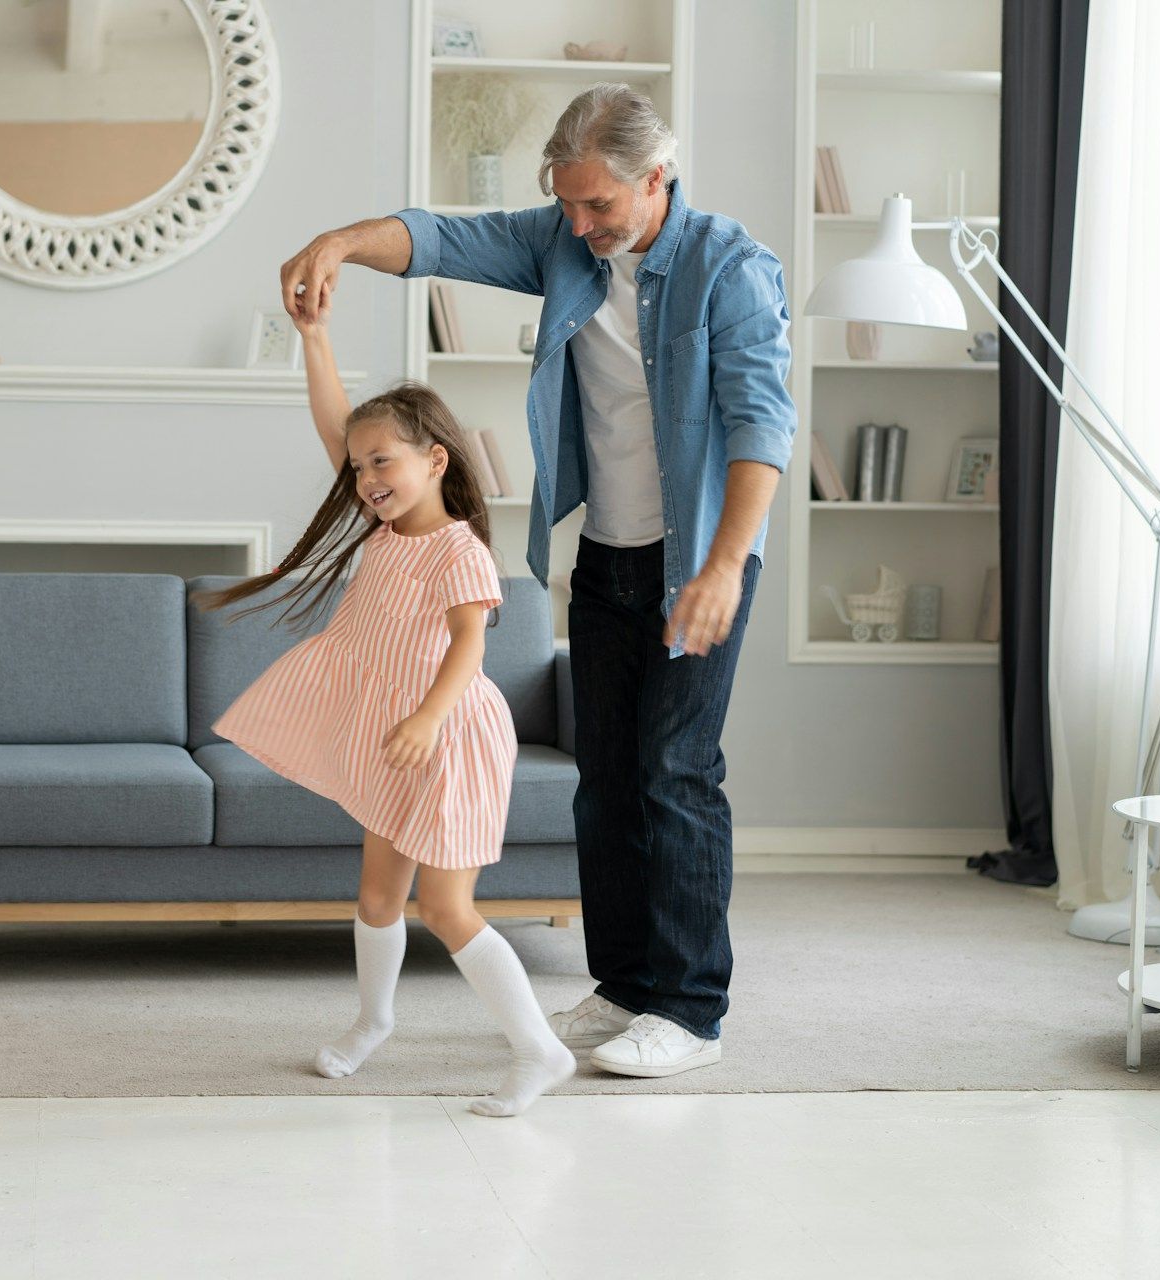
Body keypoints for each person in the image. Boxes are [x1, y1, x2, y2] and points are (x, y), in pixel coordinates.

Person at [278, 84, 796, 1078]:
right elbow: (437, 239)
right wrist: (339, 243)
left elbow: (762, 424)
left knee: (675, 770)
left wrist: (727, 564)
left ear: (657, 179)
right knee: (605, 777)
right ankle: (626, 984)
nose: (581, 224)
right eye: (567, 204)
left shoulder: (731, 269)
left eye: (599, 205)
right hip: (605, 553)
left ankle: (689, 1008)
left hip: (699, 559)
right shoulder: (566, 242)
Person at [195, 293, 575, 1118]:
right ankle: (374, 1020)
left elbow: (472, 648)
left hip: (448, 733)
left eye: (384, 464)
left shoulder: (456, 549)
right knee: (375, 896)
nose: (366, 478)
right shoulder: (382, 532)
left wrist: (428, 718)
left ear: (436, 460)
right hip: (396, 731)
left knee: (445, 905)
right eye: (360, 466)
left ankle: (539, 1051)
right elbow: (337, 422)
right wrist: (317, 337)